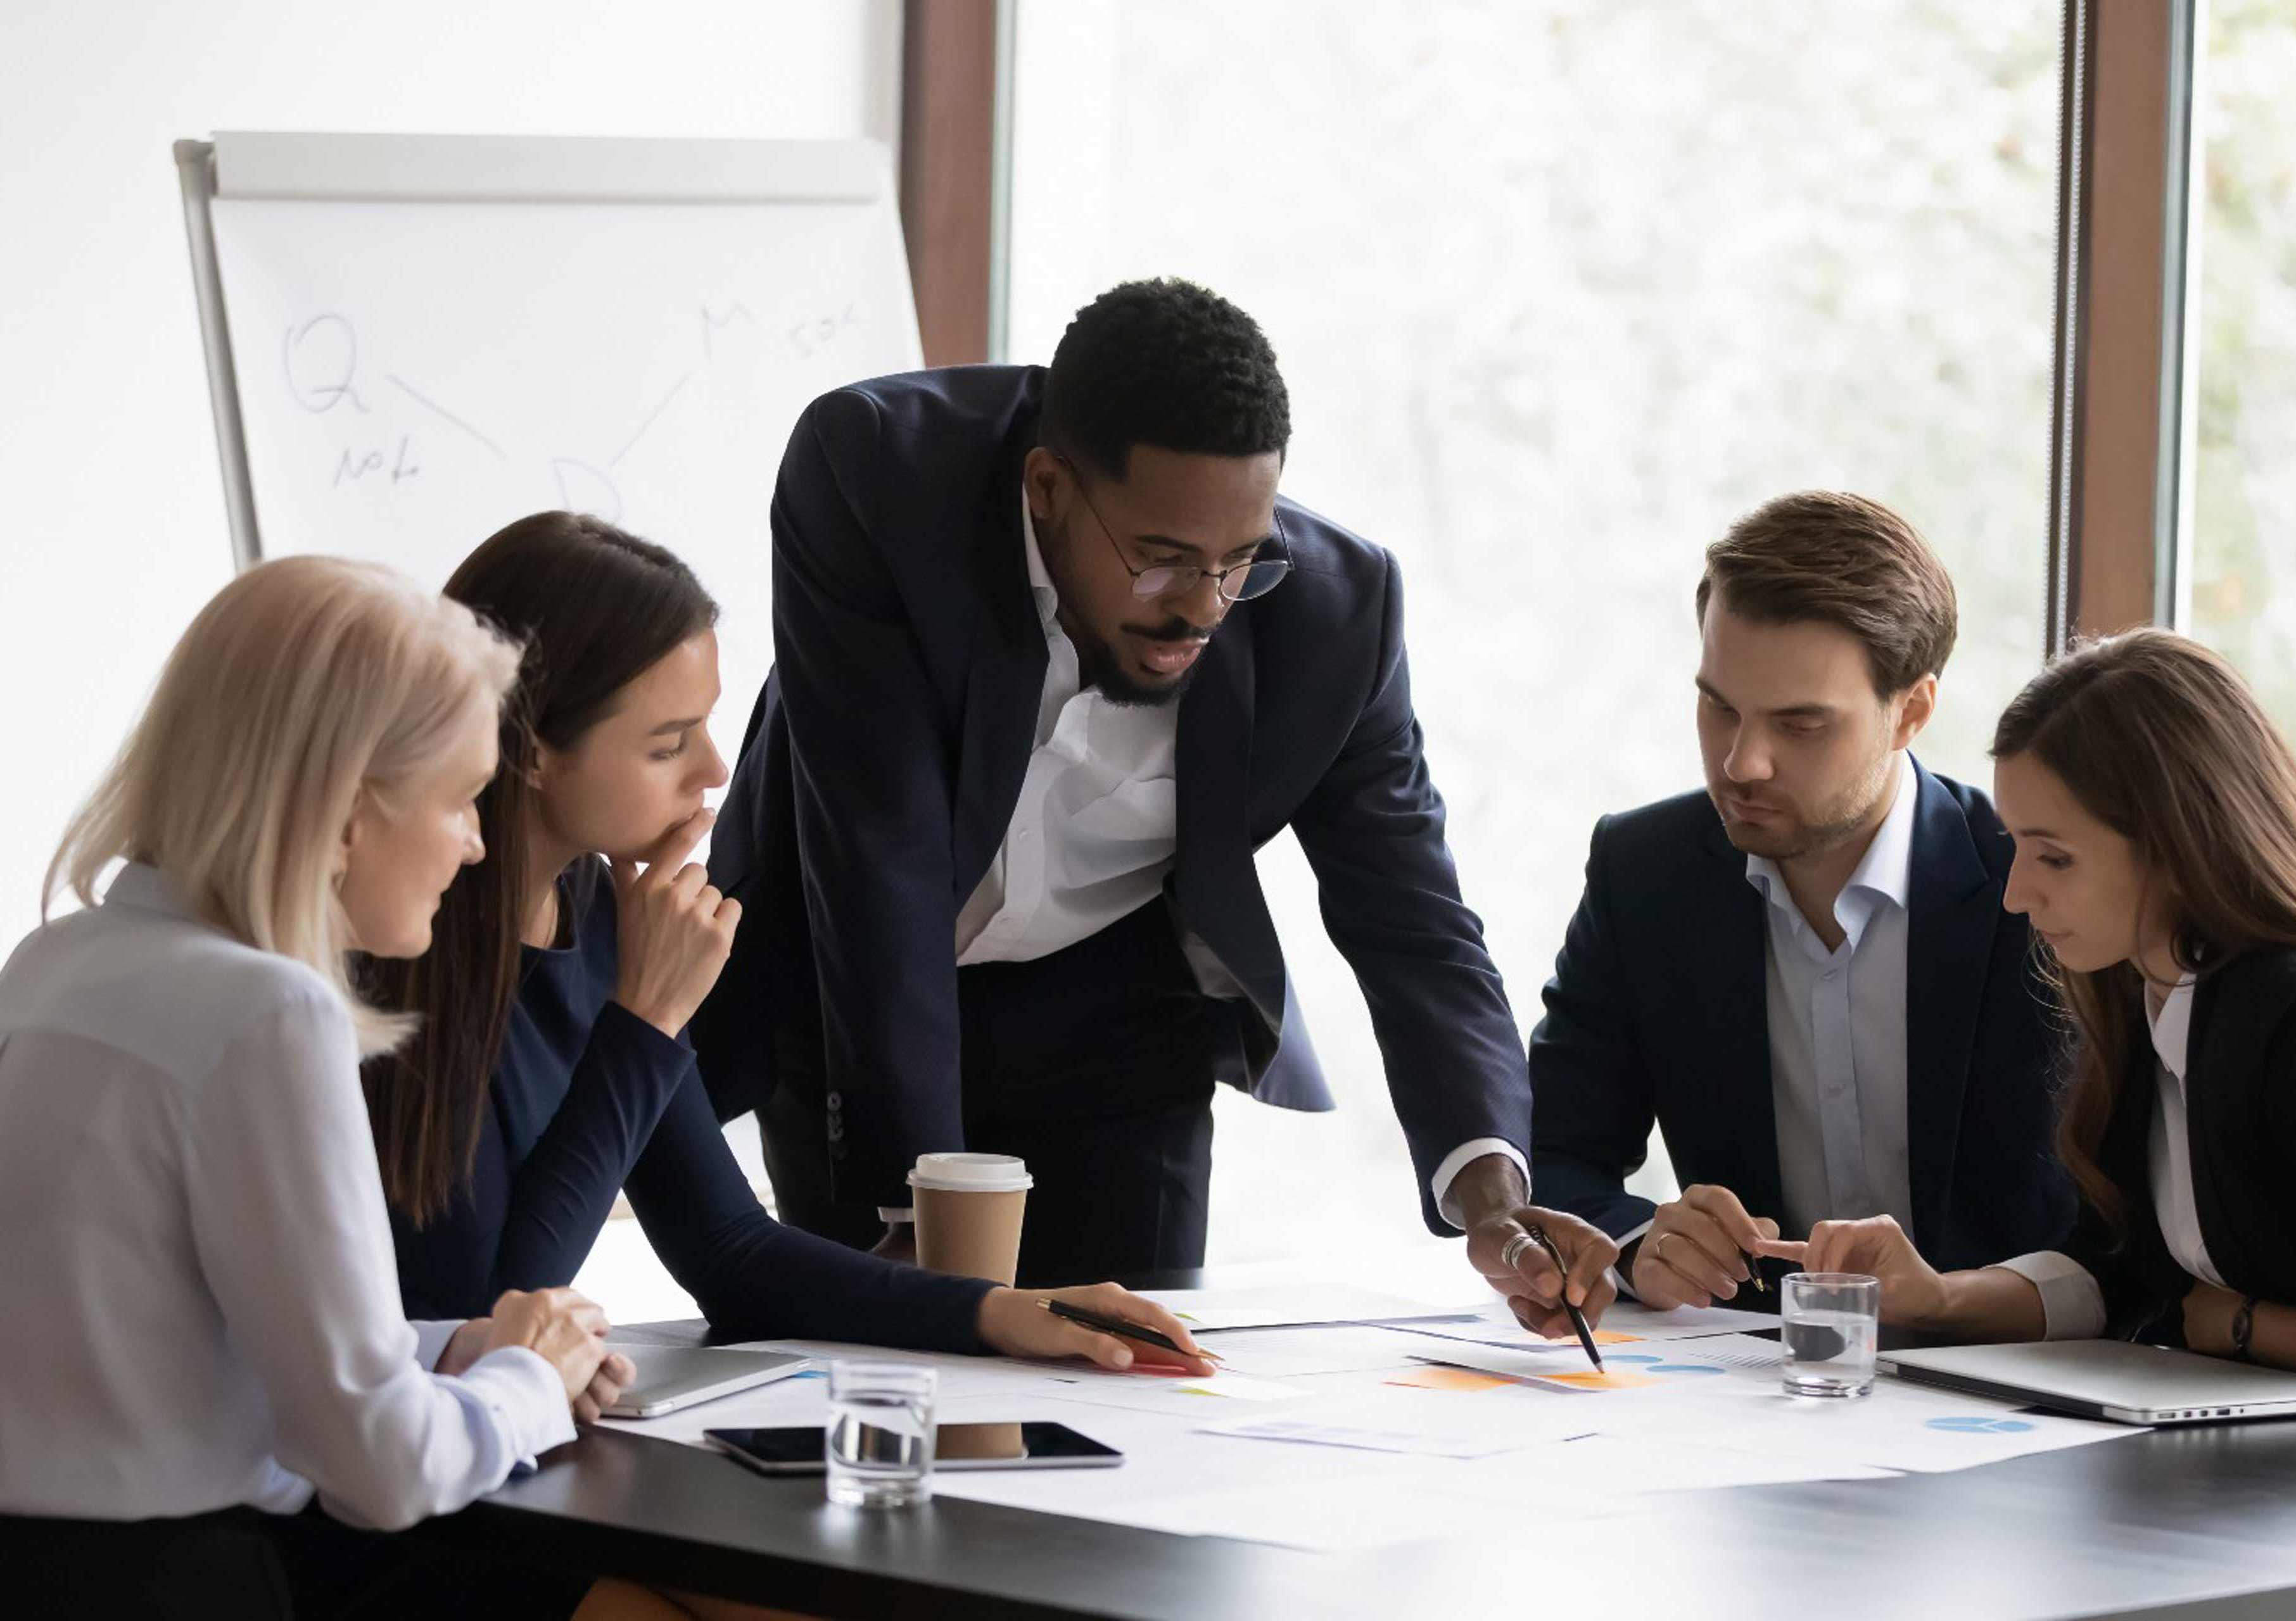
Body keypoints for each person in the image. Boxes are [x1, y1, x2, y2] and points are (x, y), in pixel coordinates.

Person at [694, 277, 1608, 1318]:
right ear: (1047, 489)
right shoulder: (877, 478)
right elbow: (878, 857)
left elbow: (1413, 915)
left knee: (1132, 1385)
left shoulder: (1334, 611)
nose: (1204, 609)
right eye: (1163, 561)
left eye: (1240, 561)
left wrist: (1493, 1195)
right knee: (887, 1376)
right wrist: (922, 1211)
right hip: (865, 999)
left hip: (1116, 1027)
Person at [360, 512, 1218, 1374]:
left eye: (704, 726)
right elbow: (485, 1317)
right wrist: (648, 1019)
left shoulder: (604, 914)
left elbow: (730, 1251)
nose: (714, 771)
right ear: (531, 748)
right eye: (667, 745)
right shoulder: (394, 941)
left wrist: (1000, 1312)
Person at [0, 557, 623, 1617]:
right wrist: (531, 1386)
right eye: (463, 799)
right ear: (345, 814)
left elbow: (174, 1347)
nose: (477, 846)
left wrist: (458, 1346)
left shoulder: (53, 962)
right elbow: (383, 1466)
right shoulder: (268, 1016)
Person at [1760, 628, 2296, 1397]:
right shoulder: (2148, 994)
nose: (2016, 894)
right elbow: (2118, 1272)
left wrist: (2244, 1327)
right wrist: (1937, 1296)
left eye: (2055, 857)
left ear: (2180, 844)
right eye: (2015, 847)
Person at [1526, 492, 2074, 1328]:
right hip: (1756, 1384)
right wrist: (1641, 1243)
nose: (1742, 762)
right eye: (1720, 707)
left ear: (1913, 712)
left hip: (2010, 1381)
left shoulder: (2033, 886)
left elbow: (2121, 1228)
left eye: (1801, 724)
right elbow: (1551, 1155)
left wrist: (1955, 1303)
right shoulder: (1647, 873)